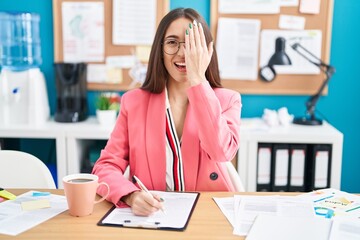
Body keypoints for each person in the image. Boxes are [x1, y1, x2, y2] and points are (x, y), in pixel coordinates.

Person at [92, 8, 241, 216]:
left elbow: (221, 152)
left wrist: (198, 79)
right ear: (159, 50)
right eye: (172, 42)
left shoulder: (228, 100)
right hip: (154, 217)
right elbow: (105, 167)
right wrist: (131, 195)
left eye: (191, 43)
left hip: (209, 215)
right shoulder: (133, 102)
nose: (182, 53)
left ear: (206, 51)